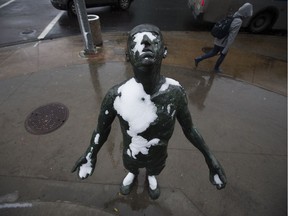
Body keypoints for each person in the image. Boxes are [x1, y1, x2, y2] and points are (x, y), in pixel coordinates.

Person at [72, 24, 227, 200]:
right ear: (128, 56)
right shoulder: (117, 96)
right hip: (131, 152)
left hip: (158, 155)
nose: (145, 42)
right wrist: (91, 153)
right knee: (131, 165)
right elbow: (101, 130)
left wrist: (210, 158)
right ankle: (132, 174)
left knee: (155, 168)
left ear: (164, 51)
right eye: (136, 41)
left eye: (154, 39)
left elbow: (189, 129)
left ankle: (152, 177)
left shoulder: (175, 92)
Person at [194, 3, 253, 73]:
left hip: (219, 37)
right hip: (223, 42)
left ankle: (199, 58)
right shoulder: (238, 21)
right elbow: (232, 36)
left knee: (214, 52)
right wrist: (226, 47)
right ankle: (216, 68)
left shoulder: (234, 14)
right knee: (222, 55)